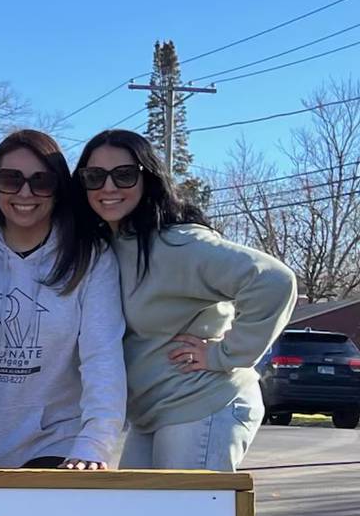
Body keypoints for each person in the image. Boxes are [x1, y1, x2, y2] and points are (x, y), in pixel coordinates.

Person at [74, 129, 296, 470]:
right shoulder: (109, 246)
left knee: (186, 507)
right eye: (94, 176)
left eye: (124, 175)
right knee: (133, 506)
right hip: (152, 415)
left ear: (148, 179)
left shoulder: (177, 244)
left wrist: (224, 354)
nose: (108, 187)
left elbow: (273, 280)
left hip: (202, 404)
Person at [0, 131, 126, 469]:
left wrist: (94, 443)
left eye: (41, 181)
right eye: (11, 180)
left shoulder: (89, 258)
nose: (25, 192)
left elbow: (102, 357)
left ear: (59, 190)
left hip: (56, 446)